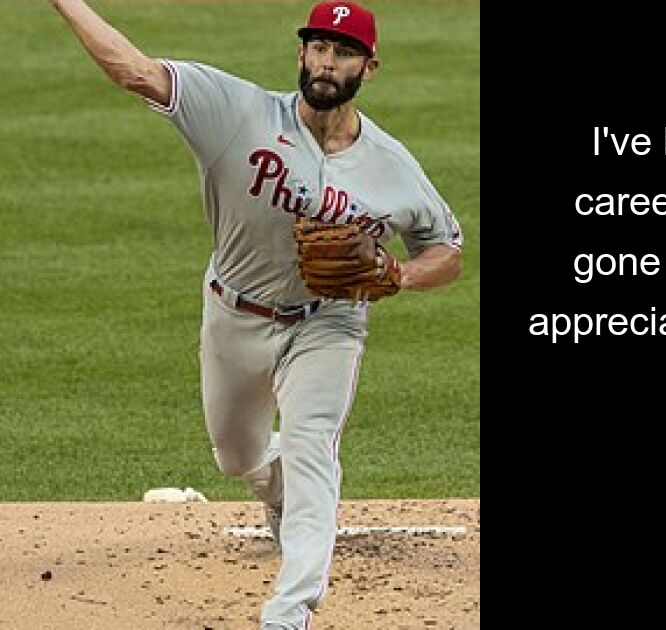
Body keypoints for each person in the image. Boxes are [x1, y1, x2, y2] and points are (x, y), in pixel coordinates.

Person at [47, 1, 464, 627]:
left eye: (344, 51)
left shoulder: (393, 165)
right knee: (237, 457)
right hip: (233, 315)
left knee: (313, 448)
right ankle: (275, 491)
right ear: (300, 53)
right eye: (318, 47)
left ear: (369, 67)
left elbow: (447, 249)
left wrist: (400, 274)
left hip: (329, 323)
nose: (327, 62)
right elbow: (134, 70)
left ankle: (288, 613)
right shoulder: (235, 112)